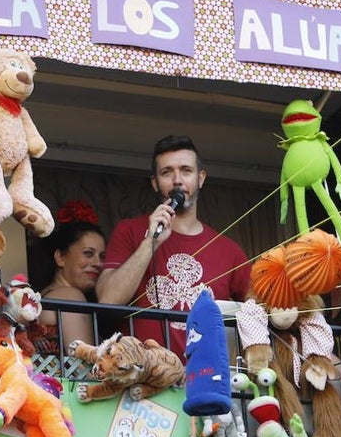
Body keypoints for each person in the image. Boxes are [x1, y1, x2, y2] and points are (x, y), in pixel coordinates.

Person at [97, 135, 251, 354]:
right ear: (155, 182)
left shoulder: (229, 250)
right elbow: (108, 300)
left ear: (201, 178)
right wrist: (150, 241)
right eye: (167, 172)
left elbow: (258, 309)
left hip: (206, 379)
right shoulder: (130, 230)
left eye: (186, 170)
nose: (177, 180)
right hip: (142, 377)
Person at [34, 203, 106, 352]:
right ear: (60, 257)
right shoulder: (69, 296)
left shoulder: (47, 294)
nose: (98, 263)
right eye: (88, 253)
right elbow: (80, 365)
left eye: (102, 256)